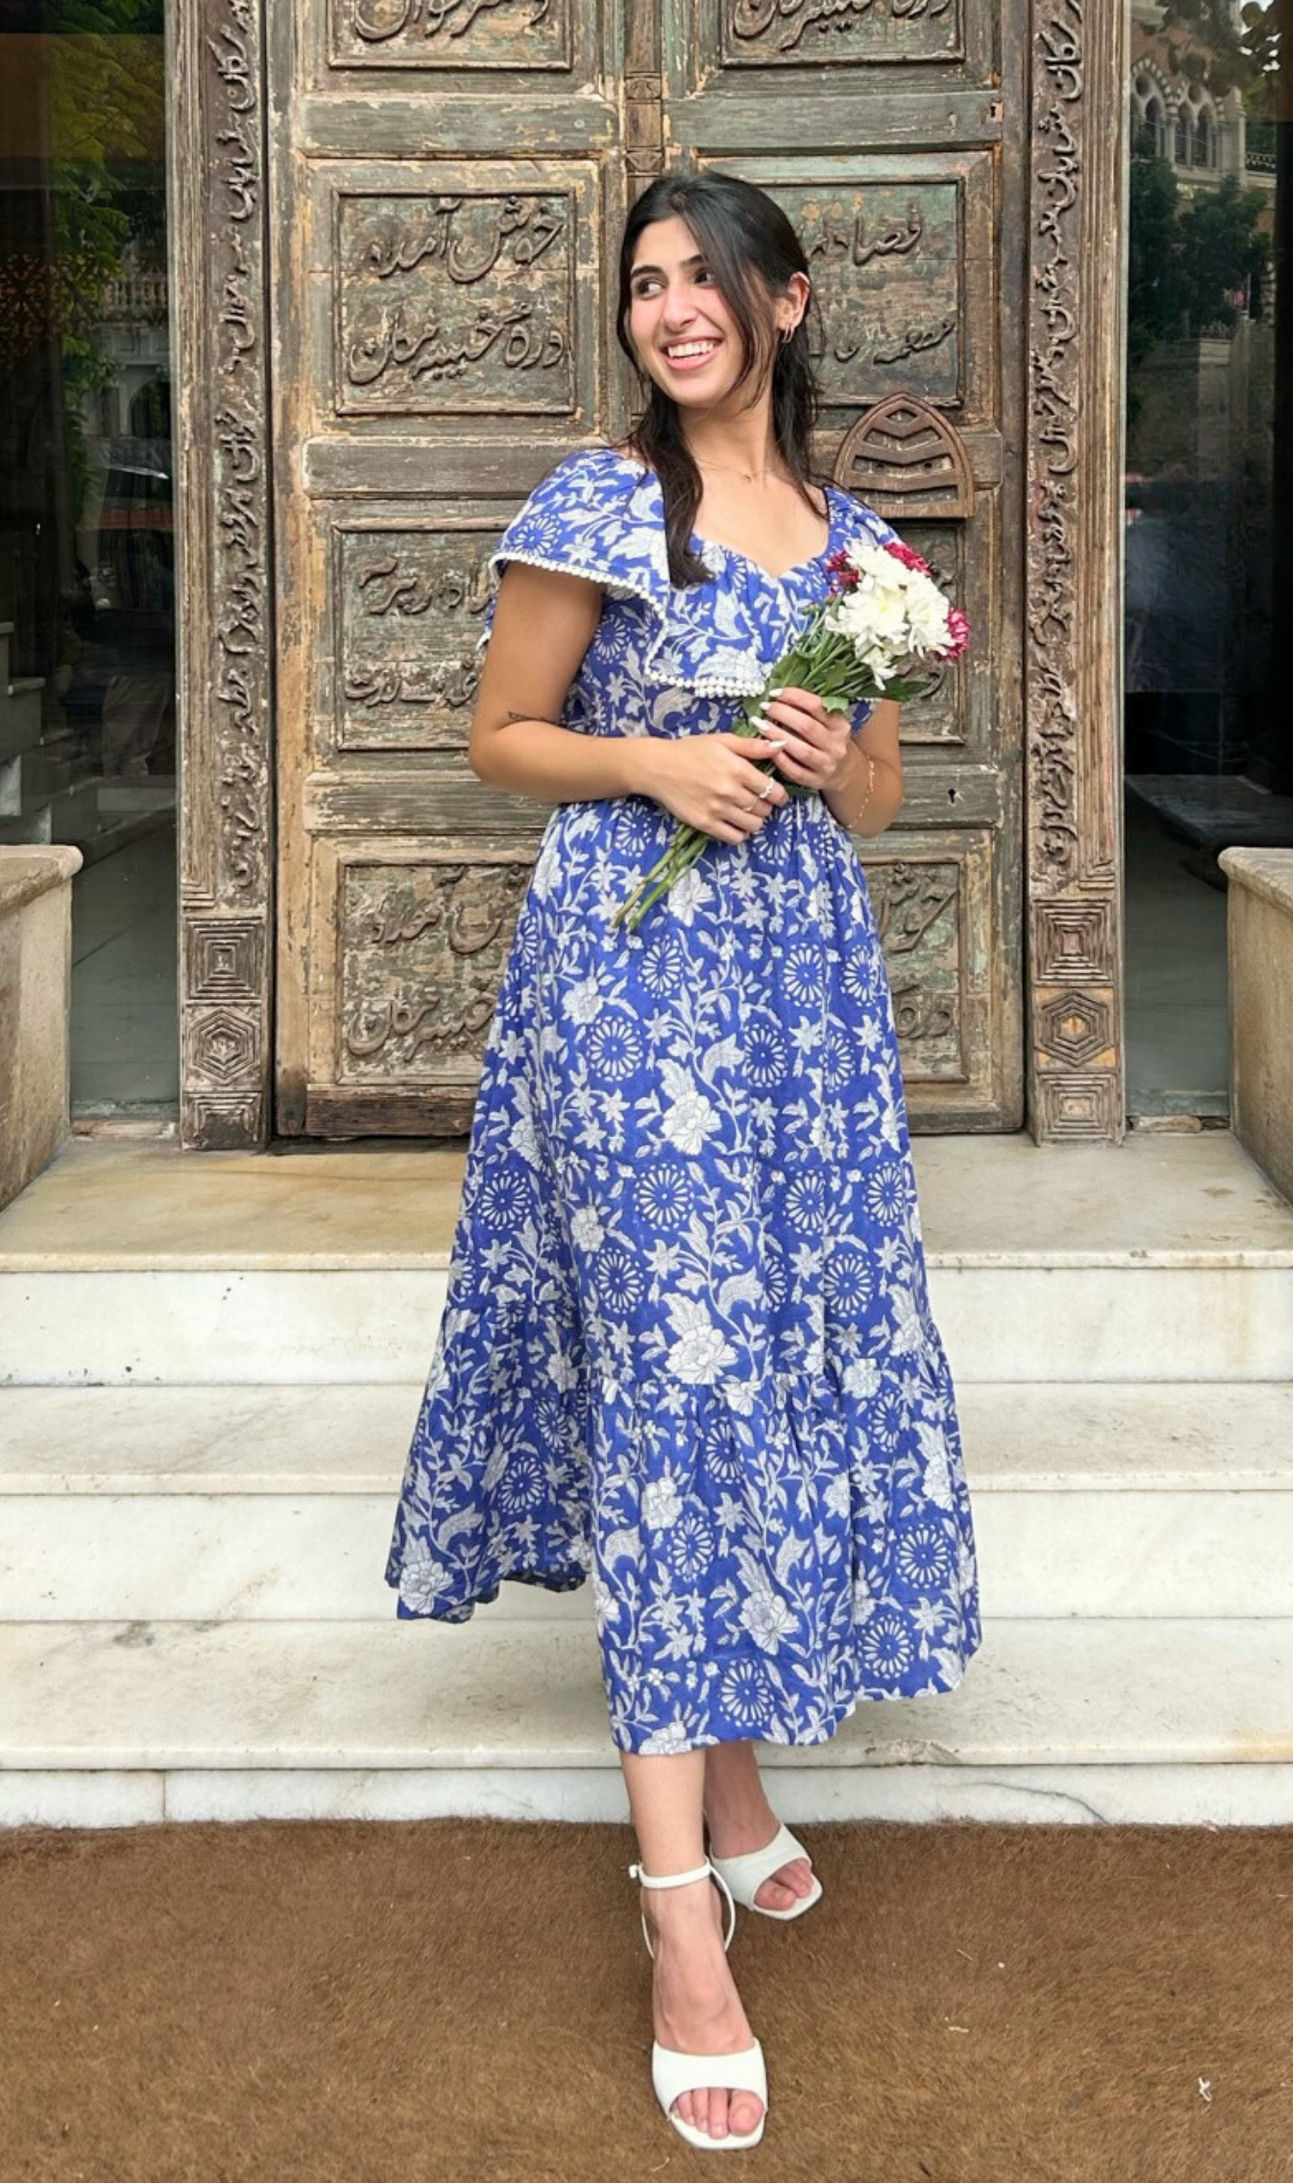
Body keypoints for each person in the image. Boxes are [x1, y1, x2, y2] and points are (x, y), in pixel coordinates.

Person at [386, 168, 982, 2151]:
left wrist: (826, 748)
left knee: (763, 1372)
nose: (672, 307)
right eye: (645, 282)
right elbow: (501, 734)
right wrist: (655, 758)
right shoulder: (597, 503)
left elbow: (877, 795)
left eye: (704, 275)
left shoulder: (857, 551)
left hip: (798, 1009)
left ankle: (730, 1792)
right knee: (670, 1390)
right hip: (627, 998)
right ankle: (676, 1920)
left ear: (784, 300)